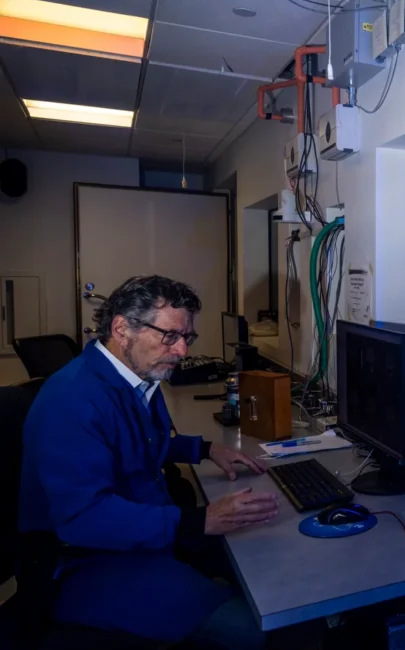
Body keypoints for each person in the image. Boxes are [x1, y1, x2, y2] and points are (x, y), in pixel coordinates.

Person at [18, 276, 279, 649]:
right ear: (122, 328)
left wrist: (203, 449)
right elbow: (84, 520)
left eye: (187, 338)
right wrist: (200, 520)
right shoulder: (72, 399)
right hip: (88, 561)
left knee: (263, 561)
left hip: (143, 532)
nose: (182, 351)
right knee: (253, 630)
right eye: (169, 336)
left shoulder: (135, 376)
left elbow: (134, 441)